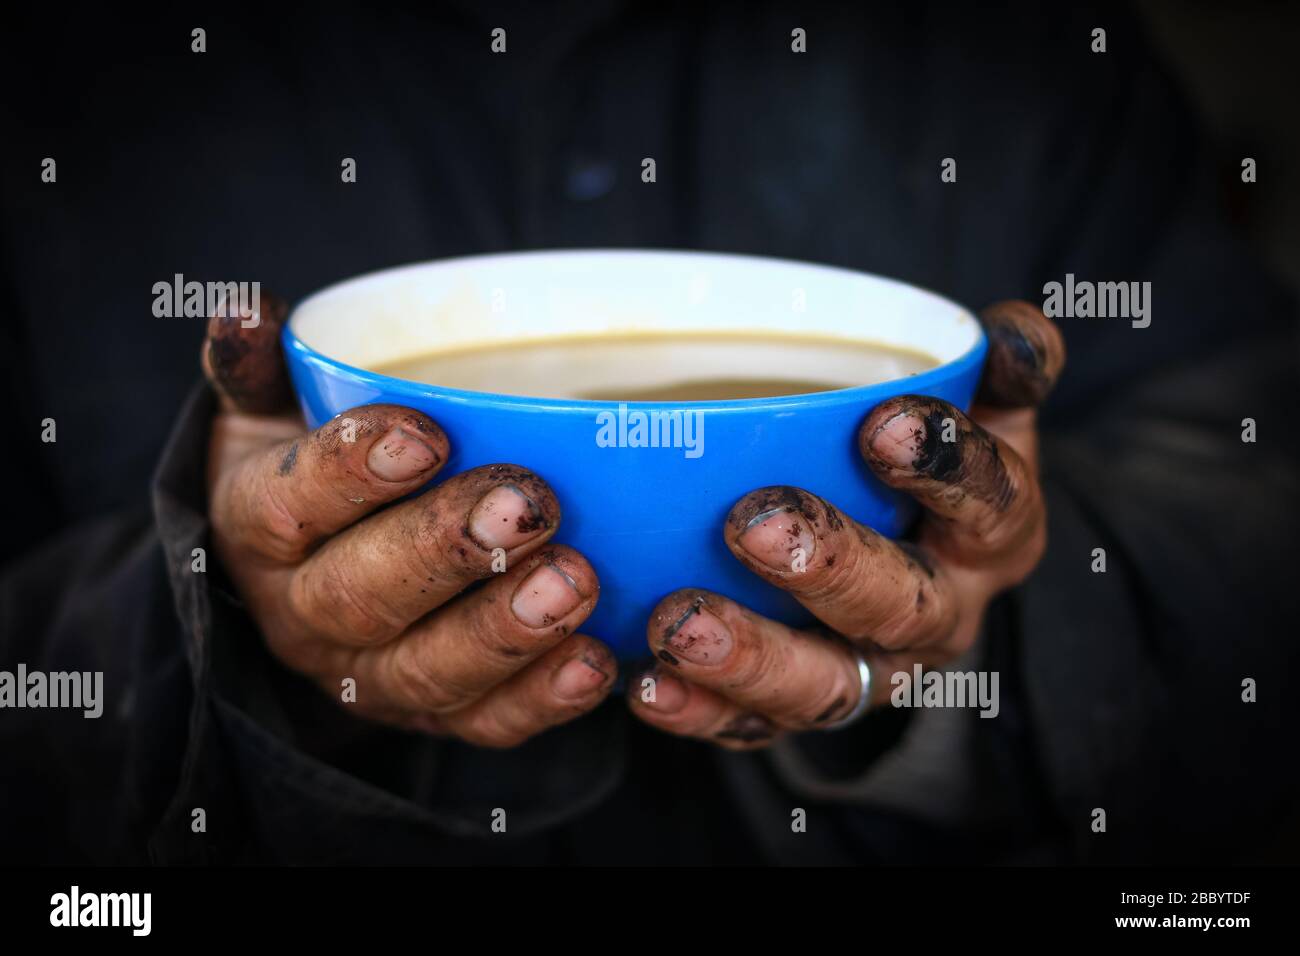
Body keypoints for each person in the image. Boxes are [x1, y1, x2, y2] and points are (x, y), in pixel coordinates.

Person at [1, 2, 1297, 865]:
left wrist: (990, 622)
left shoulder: (1021, 52)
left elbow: (1257, 499)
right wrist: (229, 614)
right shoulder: (71, 69)